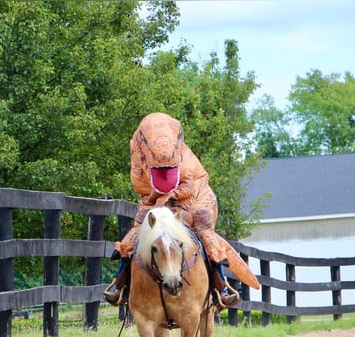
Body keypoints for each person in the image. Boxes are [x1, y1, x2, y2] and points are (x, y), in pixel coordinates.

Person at [103, 112, 260, 308]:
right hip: (155, 203)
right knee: (136, 233)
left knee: (203, 229)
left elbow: (190, 186)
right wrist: (154, 197)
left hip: (189, 201)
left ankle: (221, 288)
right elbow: (141, 187)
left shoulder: (185, 162)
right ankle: (120, 284)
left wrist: (172, 196)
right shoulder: (140, 160)